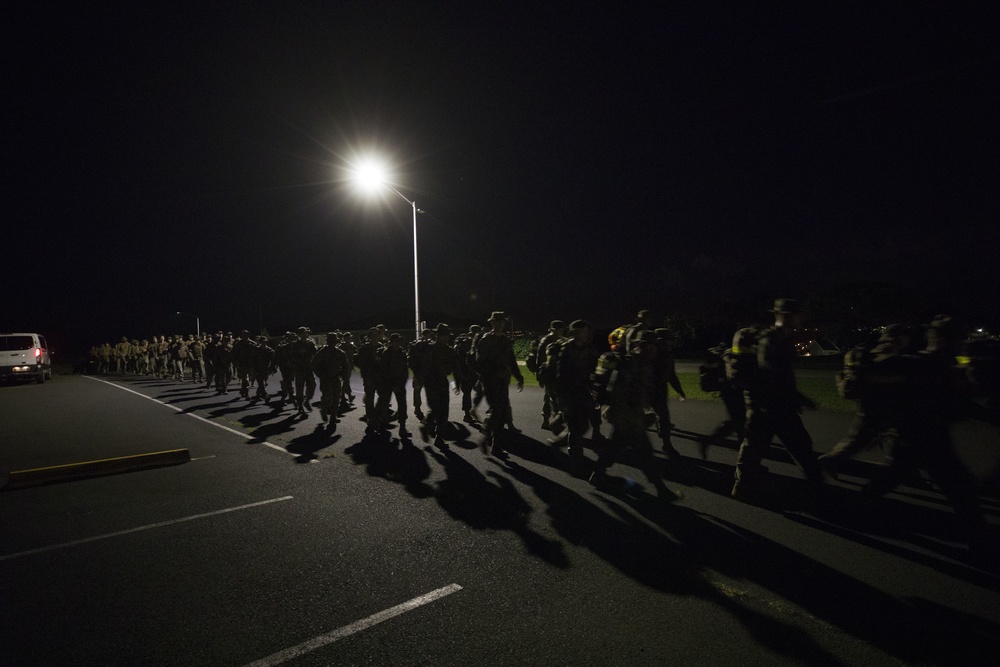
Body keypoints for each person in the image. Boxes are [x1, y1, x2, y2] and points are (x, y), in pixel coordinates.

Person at [731, 299, 823, 502]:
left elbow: (782, 377)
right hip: (768, 407)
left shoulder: (783, 339)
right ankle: (742, 488)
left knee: (796, 448)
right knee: (757, 450)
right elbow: (771, 378)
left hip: (777, 406)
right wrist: (800, 398)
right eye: (797, 314)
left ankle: (819, 491)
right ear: (784, 315)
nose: (801, 318)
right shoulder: (770, 341)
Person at [591, 330, 677, 500]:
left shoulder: (644, 363)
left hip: (631, 414)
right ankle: (661, 489)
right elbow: (619, 391)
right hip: (624, 414)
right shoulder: (629, 364)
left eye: (654, 347)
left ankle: (597, 474)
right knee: (645, 452)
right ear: (639, 346)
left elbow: (644, 390)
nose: (654, 350)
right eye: (650, 346)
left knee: (616, 448)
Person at [474, 311, 524, 456]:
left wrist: (519, 377)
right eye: (497, 322)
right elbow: (479, 362)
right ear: (492, 323)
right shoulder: (485, 340)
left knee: (501, 413)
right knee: (497, 410)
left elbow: (511, 360)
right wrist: (491, 371)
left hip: (502, 380)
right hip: (490, 381)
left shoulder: (505, 340)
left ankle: (496, 445)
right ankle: (485, 435)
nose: (500, 325)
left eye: (502, 322)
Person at [555, 320, 599, 476]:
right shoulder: (566, 349)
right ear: (574, 333)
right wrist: (562, 398)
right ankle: (576, 459)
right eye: (583, 330)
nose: (586, 333)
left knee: (584, 426)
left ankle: (562, 439)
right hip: (569, 393)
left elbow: (596, 369)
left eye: (587, 330)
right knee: (574, 426)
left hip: (584, 393)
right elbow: (560, 375)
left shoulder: (589, 348)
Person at [420, 323, 461, 445]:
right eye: (443, 336)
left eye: (447, 336)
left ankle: (439, 437)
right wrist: (419, 379)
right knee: (435, 408)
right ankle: (427, 423)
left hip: (442, 382)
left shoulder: (450, 351)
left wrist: (457, 383)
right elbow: (423, 366)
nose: (445, 338)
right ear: (437, 336)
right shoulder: (429, 349)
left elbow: (455, 368)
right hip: (430, 382)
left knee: (444, 410)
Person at [650, 328, 686, 459]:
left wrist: (680, 391)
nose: (670, 343)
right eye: (668, 340)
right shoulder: (650, 355)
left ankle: (666, 444)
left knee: (663, 416)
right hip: (646, 390)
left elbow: (671, 375)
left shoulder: (668, 355)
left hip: (660, 389)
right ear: (659, 341)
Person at [312, 332, 350, 428]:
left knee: (336, 397)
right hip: (325, 378)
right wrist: (320, 374)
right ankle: (324, 410)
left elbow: (346, 366)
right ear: (327, 341)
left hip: (336, 377)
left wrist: (345, 378)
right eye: (330, 341)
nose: (332, 343)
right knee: (327, 396)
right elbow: (314, 364)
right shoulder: (322, 352)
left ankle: (333, 416)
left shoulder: (340, 352)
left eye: (334, 341)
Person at [376, 333, 411, 435]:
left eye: (399, 341)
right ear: (391, 342)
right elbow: (384, 371)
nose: (398, 343)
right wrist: (391, 384)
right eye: (396, 341)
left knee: (402, 405)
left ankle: (402, 427)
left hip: (399, 383)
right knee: (384, 403)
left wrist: (401, 384)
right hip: (388, 383)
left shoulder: (402, 353)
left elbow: (405, 371)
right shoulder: (386, 353)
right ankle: (380, 423)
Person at [535, 320, 567, 430]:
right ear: (553, 330)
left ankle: (546, 420)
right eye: (559, 329)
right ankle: (557, 421)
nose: (561, 331)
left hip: (558, 374)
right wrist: (540, 377)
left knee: (548, 397)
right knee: (554, 397)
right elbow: (539, 359)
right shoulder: (546, 341)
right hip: (548, 374)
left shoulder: (562, 340)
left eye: (562, 329)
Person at [356, 327, 386, 430]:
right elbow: (359, 361)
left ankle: (378, 416)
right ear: (369, 337)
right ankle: (370, 417)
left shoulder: (382, 347)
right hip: (369, 376)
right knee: (370, 397)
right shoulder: (365, 348)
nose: (375, 337)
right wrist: (366, 371)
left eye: (377, 334)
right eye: (373, 335)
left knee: (383, 396)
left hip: (380, 376)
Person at [454, 324, 482, 424]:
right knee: (467, 393)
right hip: (465, 372)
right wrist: (461, 375)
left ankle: (472, 410)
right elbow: (459, 361)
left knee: (480, 390)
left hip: (474, 373)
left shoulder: (478, 343)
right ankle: (467, 414)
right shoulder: (465, 344)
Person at [407, 329, 434, 422]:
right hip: (419, 373)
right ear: (423, 335)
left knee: (430, 392)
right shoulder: (417, 345)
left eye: (429, 335)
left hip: (429, 373)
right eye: (426, 335)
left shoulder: (431, 346)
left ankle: (431, 409)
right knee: (417, 391)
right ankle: (417, 408)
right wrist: (416, 371)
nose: (428, 337)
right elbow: (411, 361)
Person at [289, 327, 317, 413]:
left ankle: (307, 401)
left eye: (306, 333)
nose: (305, 334)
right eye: (303, 333)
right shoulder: (296, 345)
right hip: (300, 369)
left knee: (312, 385)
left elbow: (315, 353)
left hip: (308, 368)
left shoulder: (310, 343)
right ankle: (300, 404)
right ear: (299, 334)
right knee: (299, 388)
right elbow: (293, 357)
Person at [231, 330, 256, 400]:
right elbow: (233, 354)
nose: (245, 336)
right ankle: (247, 393)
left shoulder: (252, 343)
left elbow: (257, 352)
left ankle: (242, 390)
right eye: (244, 335)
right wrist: (235, 362)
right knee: (245, 379)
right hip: (242, 363)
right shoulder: (238, 344)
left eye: (246, 335)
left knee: (250, 378)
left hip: (251, 364)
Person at [273, 333, 296, 407]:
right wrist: (274, 366)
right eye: (291, 339)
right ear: (288, 340)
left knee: (289, 383)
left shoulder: (297, 348)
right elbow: (276, 357)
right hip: (285, 368)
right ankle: (288, 398)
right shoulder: (283, 348)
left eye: (294, 339)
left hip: (295, 368)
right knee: (288, 383)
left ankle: (288, 397)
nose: (293, 341)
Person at [250, 335, 274, 402]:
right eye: (263, 342)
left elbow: (273, 360)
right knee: (261, 383)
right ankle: (265, 396)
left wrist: (271, 368)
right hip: (258, 369)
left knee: (263, 383)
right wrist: (254, 369)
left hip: (266, 369)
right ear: (260, 342)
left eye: (265, 342)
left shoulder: (269, 350)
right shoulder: (256, 350)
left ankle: (257, 396)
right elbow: (253, 360)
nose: (264, 343)